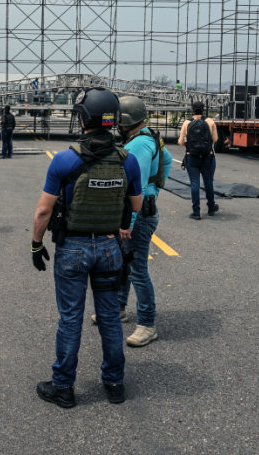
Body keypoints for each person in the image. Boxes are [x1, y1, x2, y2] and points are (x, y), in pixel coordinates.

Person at [30, 87, 143, 408]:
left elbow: (43, 211)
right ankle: (114, 382)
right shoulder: (128, 161)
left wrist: (36, 244)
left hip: (72, 249)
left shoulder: (66, 160)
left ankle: (63, 387)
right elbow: (135, 206)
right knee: (108, 317)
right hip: (109, 248)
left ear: (83, 119)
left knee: (70, 319)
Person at [110, 95, 173, 347]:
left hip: (137, 215)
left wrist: (129, 221)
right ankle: (119, 309)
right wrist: (155, 190)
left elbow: (133, 188)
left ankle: (147, 324)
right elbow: (166, 162)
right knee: (125, 263)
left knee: (137, 270)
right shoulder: (150, 136)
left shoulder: (137, 146)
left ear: (125, 121)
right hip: (145, 209)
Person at [178, 101, 219, 220]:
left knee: (195, 184)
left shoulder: (187, 123)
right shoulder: (210, 122)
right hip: (208, 157)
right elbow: (215, 139)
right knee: (208, 182)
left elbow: (181, 141)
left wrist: (190, 146)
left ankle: (196, 212)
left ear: (192, 110)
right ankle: (211, 207)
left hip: (192, 157)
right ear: (203, 109)